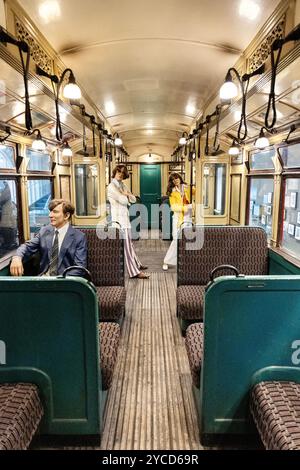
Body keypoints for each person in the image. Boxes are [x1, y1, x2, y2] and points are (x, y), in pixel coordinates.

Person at [10, 199, 87, 277]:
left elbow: (79, 268)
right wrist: (17, 257)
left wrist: (59, 279)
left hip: (65, 281)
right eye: (50, 211)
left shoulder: (79, 237)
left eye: (55, 212)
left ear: (66, 216)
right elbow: (27, 246)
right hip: (44, 279)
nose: (50, 215)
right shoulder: (44, 231)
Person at [108, 164, 149, 279]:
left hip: (125, 219)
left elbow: (134, 199)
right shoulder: (111, 187)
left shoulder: (123, 185)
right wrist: (126, 195)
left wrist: (126, 194)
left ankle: (137, 264)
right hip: (119, 220)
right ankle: (134, 272)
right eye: (118, 172)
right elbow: (124, 201)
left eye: (122, 172)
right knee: (126, 246)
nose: (120, 174)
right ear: (114, 172)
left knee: (130, 244)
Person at [163, 173, 195, 270]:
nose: (176, 180)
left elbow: (198, 193)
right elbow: (173, 207)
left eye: (176, 178)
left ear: (180, 178)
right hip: (178, 218)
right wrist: (186, 207)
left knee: (188, 240)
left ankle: (186, 261)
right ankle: (167, 261)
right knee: (176, 239)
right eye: (173, 180)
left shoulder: (187, 188)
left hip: (188, 217)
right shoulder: (172, 192)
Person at [0, 182, 18, 252]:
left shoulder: (4, 184)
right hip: (8, 224)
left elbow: (3, 198)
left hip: (7, 225)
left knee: (8, 243)